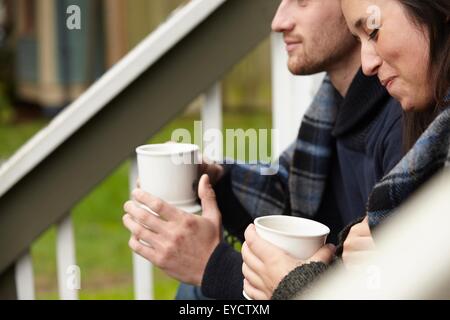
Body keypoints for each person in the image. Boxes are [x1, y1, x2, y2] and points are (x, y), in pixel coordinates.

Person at [122, 0, 404, 299]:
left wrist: (213, 267)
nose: (278, 21)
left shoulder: (403, 123)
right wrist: (213, 180)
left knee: (199, 292)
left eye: (301, 2)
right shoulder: (335, 108)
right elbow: (288, 194)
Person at [242, 0, 450, 300]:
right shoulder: (340, 113)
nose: (367, 64)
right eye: (359, 38)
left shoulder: (401, 127)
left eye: (373, 30)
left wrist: (297, 286)